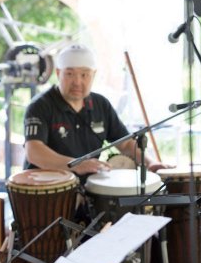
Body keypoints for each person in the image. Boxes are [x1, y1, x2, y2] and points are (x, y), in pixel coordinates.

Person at [24, 43, 168, 178]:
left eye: (84, 74)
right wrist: (77, 164)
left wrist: (150, 162)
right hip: (45, 186)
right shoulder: (40, 106)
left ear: (94, 75)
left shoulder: (101, 104)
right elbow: (34, 151)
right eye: (70, 74)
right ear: (58, 73)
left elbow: (125, 143)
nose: (77, 82)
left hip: (87, 184)